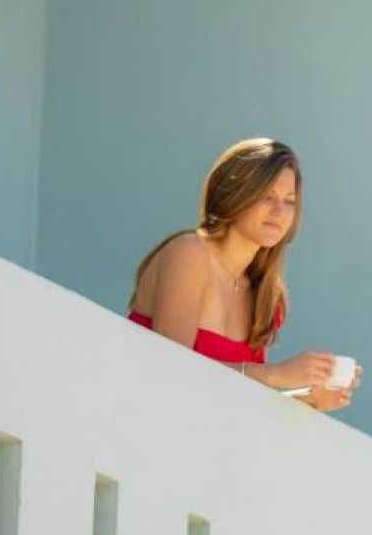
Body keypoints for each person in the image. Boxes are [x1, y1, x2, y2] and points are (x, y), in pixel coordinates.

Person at [127, 138, 358, 412]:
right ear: (236, 194)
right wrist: (275, 375)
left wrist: (307, 399)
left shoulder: (267, 294)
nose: (279, 211)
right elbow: (172, 371)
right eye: (267, 196)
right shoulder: (190, 253)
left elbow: (231, 403)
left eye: (289, 201)